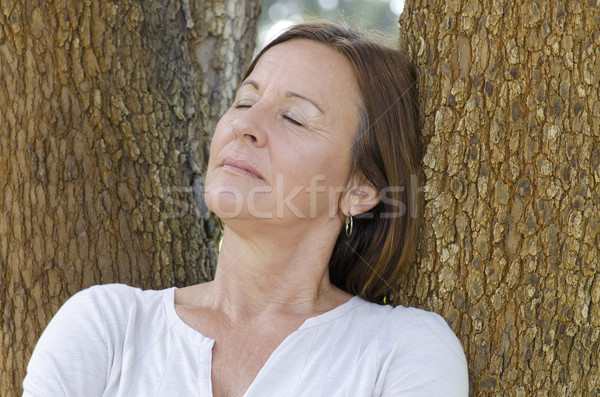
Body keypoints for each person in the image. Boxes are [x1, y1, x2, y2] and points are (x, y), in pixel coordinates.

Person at [23, 22, 468, 396]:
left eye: (293, 117)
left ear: (361, 189)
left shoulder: (404, 351)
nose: (245, 126)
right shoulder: (107, 326)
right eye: (245, 101)